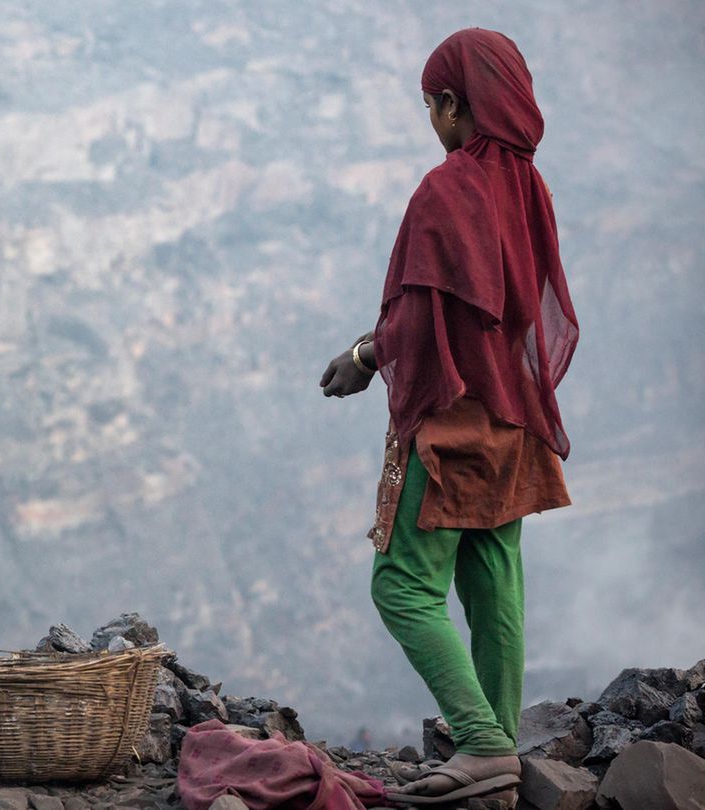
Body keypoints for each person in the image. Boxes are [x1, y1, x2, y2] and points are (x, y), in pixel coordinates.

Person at [319, 29, 577, 806]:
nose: (431, 121)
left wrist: (364, 358)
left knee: (400, 586)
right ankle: (495, 766)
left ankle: (481, 741)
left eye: (432, 105)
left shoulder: (448, 190)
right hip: (514, 419)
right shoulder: (530, 189)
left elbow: (423, 319)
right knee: (495, 582)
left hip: (453, 421)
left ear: (453, 104)